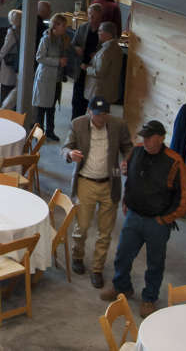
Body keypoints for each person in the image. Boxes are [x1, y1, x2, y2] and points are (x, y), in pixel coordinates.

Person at [101, 120, 186, 318]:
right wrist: (126, 200)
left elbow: (183, 198)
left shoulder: (174, 161)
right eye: (144, 137)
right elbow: (130, 177)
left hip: (157, 222)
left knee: (155, 263)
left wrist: (167, 218)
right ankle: (121, 287)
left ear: (161, 137)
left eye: (150, 137)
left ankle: (149, 298)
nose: (146, 141)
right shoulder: (136, 151)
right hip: (133, 215)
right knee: (123, 254)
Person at [62, 97, 133, 289]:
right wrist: (70, 154)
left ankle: (97, 269)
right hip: (86, 180)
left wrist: (127, 160)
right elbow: (65, 147)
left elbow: (128, 146)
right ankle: (77, 256)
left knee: (105, 231)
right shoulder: (78, 124)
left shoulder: (118, 125)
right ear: (89, 111)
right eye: (97, 114)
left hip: (110, 181)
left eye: (104, 114)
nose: (101, 119)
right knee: (82, 226)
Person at [33, 13, 70, 141]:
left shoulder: (62, 39)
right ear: (55, 25)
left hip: (56, 79)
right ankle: (38, 133)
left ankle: (50, 131)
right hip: (46, 78)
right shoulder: (46, 39)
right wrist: (58, 61)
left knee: (52, 107)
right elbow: (39, 57)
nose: (65, 28)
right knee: (42, 107)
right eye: (63, 25)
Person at [71, 3, 103, 119]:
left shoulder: (103, 30)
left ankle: (89, 122)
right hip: (81, 68)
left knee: (92, 99)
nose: (91, 18)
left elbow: (106, 50)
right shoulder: (83, 28)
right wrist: (76, 48)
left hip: (94, 71)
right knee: (77, 99)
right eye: (90, 15)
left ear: (100, 17)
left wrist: (97, 55)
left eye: (94, 16)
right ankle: (74, 121)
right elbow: (73, 44)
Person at [82, 21, 122, 106]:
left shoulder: (106, 51)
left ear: (108, 33)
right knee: (102, 113)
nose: (98, 33)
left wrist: (86, 68)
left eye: (100, 31)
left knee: (97, 114)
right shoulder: (117, 48)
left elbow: (99, 72)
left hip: (99, 93)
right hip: (108, 91)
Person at [0, 9, 21, 108]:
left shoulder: (11, 31)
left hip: (9, 61)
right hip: (17, 61)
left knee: (6, 86)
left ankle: (4, 110)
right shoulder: (22, 30)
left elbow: (6, 46)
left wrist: (0, 56)